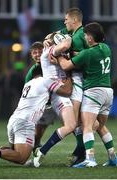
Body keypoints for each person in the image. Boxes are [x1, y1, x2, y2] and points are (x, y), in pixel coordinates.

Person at [0, 66, 73, 167]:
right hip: (25, 122)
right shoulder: (45, 81)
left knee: (13, 151)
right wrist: (69, 74)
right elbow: (67, 91)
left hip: (13, 120)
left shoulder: (28, 84)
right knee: (21, 157)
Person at [57, 22, 117, 167]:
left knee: (87, 126)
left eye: (86, 35)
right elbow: (84, 55)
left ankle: (90, 159)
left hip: (94, 92)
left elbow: (66, 66)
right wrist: (74, 54)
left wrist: (60, 55)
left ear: (91, 38)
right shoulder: (106, 48)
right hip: (108, 93)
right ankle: (113, 158)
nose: (85, 37)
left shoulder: (88, 53)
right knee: (99, 126)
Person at [33, 32, 78, 167]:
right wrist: (69, 37)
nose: (45, 40)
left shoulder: (56, 53)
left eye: (47, 38)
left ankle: (80, 155)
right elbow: (65, 44)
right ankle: (41, 150)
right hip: (59, 94)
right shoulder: (49, 50)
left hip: (61, 93)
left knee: (77, 126)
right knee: (71, 126)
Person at [25, 42, 58, 152]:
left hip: (59, 100)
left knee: (72, 126)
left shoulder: (52, 63)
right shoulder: (33, 71)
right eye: (35, 52)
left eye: (40, 51)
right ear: (31, 55)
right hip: (44, 105)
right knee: (39, 129)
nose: (38, 54)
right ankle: (34, 148)